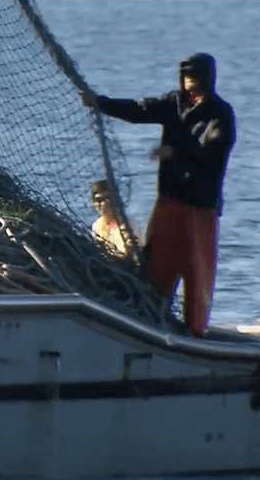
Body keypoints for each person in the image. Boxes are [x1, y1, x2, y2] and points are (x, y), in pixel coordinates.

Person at [81, 53, 236, 337]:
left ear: (208, 81)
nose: (191, 88)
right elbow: (140, 110)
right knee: (159, 265)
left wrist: (174, 152)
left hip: (200, 207)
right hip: (168, 202)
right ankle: (153, 317)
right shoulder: (173, 103)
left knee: (196, 269)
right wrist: (101, 103)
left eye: (197, 82)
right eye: (187, 81)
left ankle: (194, 330)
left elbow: (213, 153)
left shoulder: (220, 114)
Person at [90, 180, 127, 255]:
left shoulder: (124, 226)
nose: (103, 204)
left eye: (107, 198)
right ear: (93, 203)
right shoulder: (97, 226)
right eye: (99, 200)